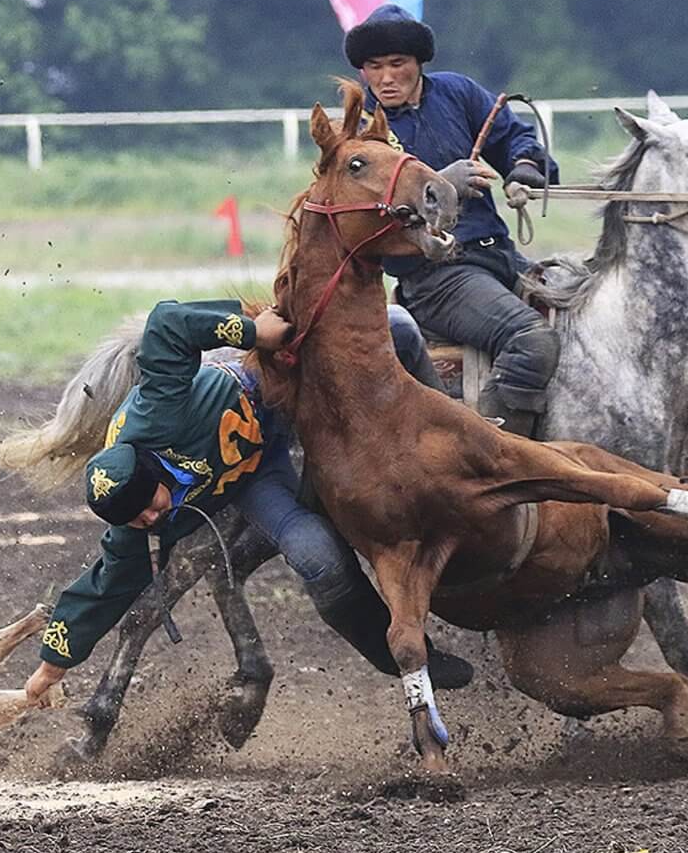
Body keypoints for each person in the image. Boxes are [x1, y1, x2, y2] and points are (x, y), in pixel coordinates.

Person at [24, 299, 472, 705]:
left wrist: (254, 332)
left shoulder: (157, 411)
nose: (149, 518)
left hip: (272, 381)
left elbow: (165, 325)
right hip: (257, 471)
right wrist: (50, 668)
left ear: (152, 465)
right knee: (317, 557)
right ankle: (407, 658)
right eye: (136, 521)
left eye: (148, 505)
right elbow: (101, 588)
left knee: (399, 325)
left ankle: (463, 433)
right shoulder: (136, 519)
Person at [344, 4, 561, 436]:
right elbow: (361, 218)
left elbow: (513, 135)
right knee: (532, 340)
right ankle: (492, 450)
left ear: (419, 64)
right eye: (374, 66)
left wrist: (522, 167)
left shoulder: (457, 92)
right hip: (436, 277)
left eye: (397, 64)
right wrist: (442, 184)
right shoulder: (360, 129)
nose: (386, 78)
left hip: (500, 257)